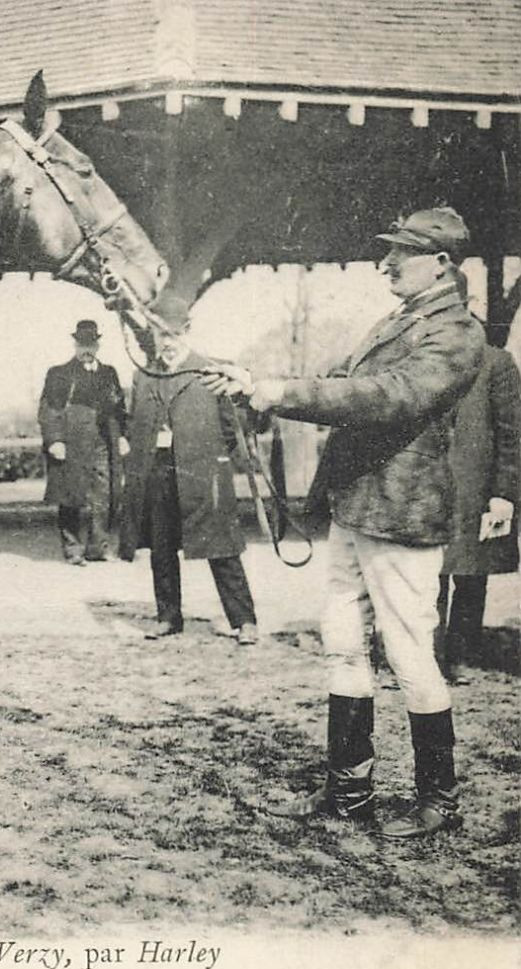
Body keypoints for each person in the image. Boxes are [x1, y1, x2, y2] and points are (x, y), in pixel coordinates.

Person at [202, 206, 485, 839]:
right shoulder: (399, 321)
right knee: (343, 645)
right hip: (358, 506)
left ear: (441, 263)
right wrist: (254, 382)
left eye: (401, 253)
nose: (385, 263)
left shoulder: (458, 334)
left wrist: (275, 389)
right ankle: (349, 792)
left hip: (402, 515)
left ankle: (440, 801)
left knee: (411, 654)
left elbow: (388, 397)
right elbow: (339, 383)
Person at [123, 339, 258, 643]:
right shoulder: (144, 375)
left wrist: (209, 457)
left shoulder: (209, 370)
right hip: (157, 470)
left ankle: (244, 621)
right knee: (161, 546)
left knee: (221, 544)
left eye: (171, 335)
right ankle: (168, 617)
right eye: (158, 336)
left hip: (203, 470)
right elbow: (135, 423)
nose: (165, 343)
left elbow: (232, 427)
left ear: (185, 331)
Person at [437, 342, 519, 682]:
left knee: (471, 576)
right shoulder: (424, 358)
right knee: (426, 577)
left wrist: (503, 492)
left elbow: (513, 435)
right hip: (429, 488)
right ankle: (428, 656)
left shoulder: (496, 364)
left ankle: (461, 654)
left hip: (476, 492)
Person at [39, 319, 129, 563]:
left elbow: (120, 408)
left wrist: (122, 436)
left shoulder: (109, 373)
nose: (86, 349)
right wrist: (55, 440)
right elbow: (49, 409)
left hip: (103, 441)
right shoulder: (58, 374)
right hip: (72, 440)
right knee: (71, 494)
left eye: (91, 344)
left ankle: (98, 547)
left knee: (104, 494)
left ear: (98, 345)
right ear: (75, 344)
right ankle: (73, 549)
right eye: (82, 344)